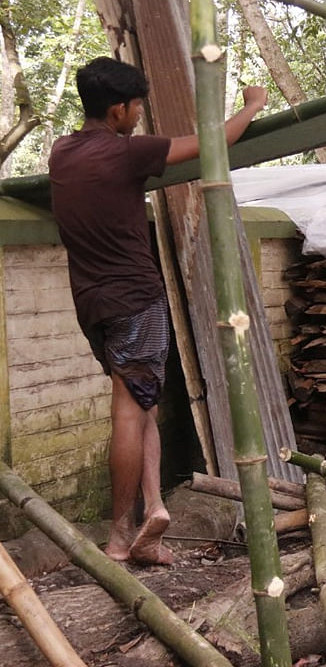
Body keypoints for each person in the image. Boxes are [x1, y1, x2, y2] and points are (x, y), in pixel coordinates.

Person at [49, 57, 267, 565]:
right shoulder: (125, 153)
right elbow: (217, 142)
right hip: (135, 300)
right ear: (119, 109)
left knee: (139, 398)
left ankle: (154, 513)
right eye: (138, 107)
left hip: (93, 302)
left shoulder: (63, 152)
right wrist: (253, 104)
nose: (141, 115)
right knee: (129, 408)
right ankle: (120, 535)